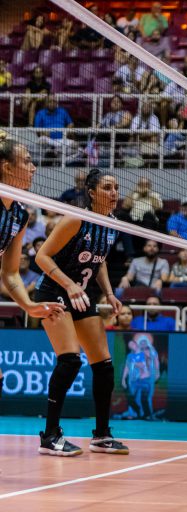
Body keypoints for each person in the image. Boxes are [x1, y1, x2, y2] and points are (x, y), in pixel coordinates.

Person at [34, 168, 128, 457]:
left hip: (81, 295)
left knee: (104, 364)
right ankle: (50, 436)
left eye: (116, 188)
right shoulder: (76, 218)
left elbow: (98, 262)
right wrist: (69, 286)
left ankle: (101, 435)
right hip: (54, 291)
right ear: (92, 192)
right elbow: (41, 256)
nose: (114, 193)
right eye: (108, 188)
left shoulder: (111, 222)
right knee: (70, 360)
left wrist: (110, 294)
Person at [0, 137, 66, 406]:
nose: (34, 167)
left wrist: (28, 304)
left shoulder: (19, 214)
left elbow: (11, 272)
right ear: (6, 167)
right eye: (27, 160)